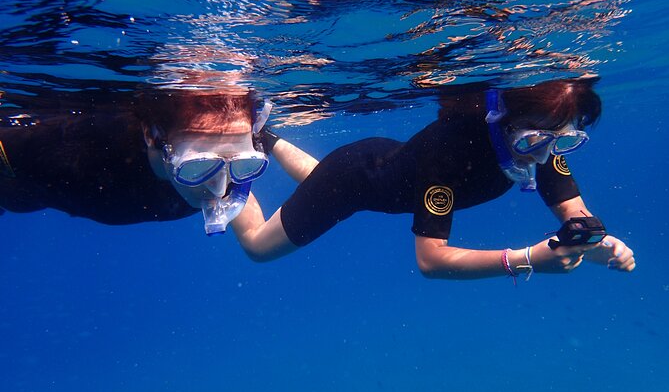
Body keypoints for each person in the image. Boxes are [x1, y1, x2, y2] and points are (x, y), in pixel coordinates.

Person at [231, 78, 635, 280]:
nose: (546, 154)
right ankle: (226, 175)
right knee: (257, 248)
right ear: (506, 122)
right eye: (534, 141)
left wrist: (593, 239)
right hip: (352, 177)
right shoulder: (451, 153)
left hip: (381, 167)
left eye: (563, 141)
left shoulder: (538, 137)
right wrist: (526, 259)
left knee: (319, 182)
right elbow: (431, 260)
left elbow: (571, 208)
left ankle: (263, 138)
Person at [0, 86, 271, 235]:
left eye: (244, 163)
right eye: (197, 165)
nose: (219, 189)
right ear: (152, 137)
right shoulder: (75, 149)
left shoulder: (237, 161)